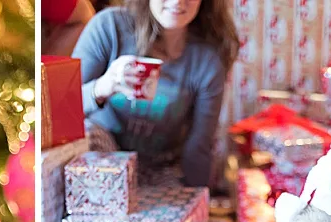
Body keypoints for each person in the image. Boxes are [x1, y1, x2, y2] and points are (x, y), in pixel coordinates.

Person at [72, 0, 238, 187]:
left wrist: (198, 199)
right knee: (89, 134)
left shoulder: (207, 61)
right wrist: (103, 86)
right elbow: (62, 108)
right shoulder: (109, 27)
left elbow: (199, 146)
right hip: (102, 160)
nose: (177, 1)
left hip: (160, 169)